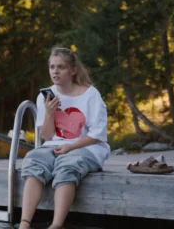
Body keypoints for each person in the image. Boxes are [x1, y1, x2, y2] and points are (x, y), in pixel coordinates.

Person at [18, 47, 110, 229]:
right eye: (52, 67)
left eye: (61, 67)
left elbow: (97, 135)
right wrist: (49, 113)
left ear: (73, 70)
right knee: (33, 160)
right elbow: (48, 135)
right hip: (54, 145)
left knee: (67, 165)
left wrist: (71, 147)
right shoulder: (45, 96)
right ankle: (24, 224)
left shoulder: (91, 95)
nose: (55, 71)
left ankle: (56, 225)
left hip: (88, 147)